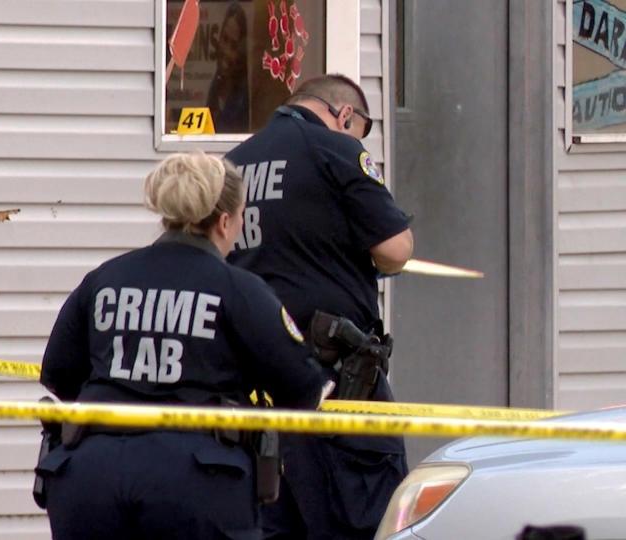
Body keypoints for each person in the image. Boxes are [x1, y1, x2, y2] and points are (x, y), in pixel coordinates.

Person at [36, 150, 331, 540]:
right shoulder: (239, 290)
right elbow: (303, 390)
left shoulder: (105, 279)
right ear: (224, 222)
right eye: (241, 217)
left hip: (89, 475)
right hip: (197, 483)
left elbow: (57, 375)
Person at [225, 73, 414, 539]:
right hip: (335, 383)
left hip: (255, 385)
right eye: (358, 131)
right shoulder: (337, 149)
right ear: (345, 115)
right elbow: (396, 249)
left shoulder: (234, 164)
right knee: (361, 516)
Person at [206, 2, 250, 133]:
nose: (226, 51)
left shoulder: (245, 99)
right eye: (224, 39)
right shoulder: (215, 86)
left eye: (234, 46)